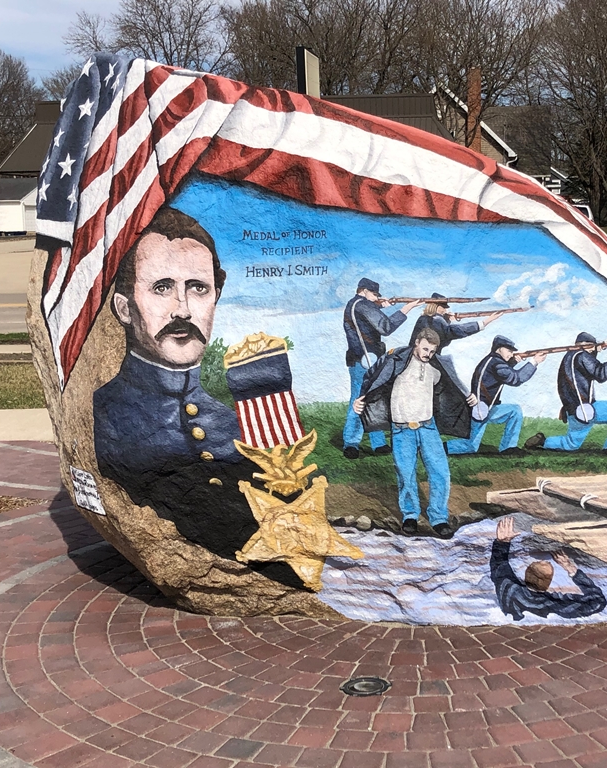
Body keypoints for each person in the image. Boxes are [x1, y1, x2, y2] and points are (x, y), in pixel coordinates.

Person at [92, 206, 300, 586]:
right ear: (124, 307)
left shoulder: (234, 424)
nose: (183, 309)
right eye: (162, 288)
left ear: (215, 299)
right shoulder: (102, 414)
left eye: (198, 288)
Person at [352, 328, 475, 538]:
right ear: (416, 343)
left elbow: (451, 385)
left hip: (428, 427)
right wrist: (360, 399)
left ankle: (439, 518)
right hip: (401, 430)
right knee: (405, 472)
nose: (428, 354)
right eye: (425, 348)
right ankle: (410, 516)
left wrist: (468, 396)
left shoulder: (435, 368)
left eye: (432, 351)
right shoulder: (396, 361)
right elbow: (374, 378)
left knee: (440, 472)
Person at [342, 279, 423, 460]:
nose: (376, 297)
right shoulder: (362, 304)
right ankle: (351, 443)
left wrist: (384, 307)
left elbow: (371, 320)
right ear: (364, 291)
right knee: (360, 399)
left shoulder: (360, 304)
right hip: (364, 360)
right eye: (374, 294)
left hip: (369, 359)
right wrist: (406, 308)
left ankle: (377, 442)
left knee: (376, 398)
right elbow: (385, 327)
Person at [524, 332, 607, 462]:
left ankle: (543, 441)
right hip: (586, 408)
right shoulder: (582, 356)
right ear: (589, 346)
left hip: (573, 409)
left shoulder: (571, 356)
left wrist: (600, 347)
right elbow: (601, 373)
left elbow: (589, 363)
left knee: (571, 444)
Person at [445, 336, 547, 457]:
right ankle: (440, 447)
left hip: (485, 406)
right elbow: (515, 379)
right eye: (509, 351)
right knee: (471, 446)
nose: (511, 353)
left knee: (514, 411)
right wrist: (534, 362)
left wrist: (513, 362)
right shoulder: (497, 363)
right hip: (481, 408)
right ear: (499, 349)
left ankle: (509, 448)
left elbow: (501, 373)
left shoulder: (492, 360)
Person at [491, 517, 606, 621]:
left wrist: (502, 542)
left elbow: (499, 565)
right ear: (549, 582)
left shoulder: (509, 589)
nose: (544, 560)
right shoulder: (555, 605)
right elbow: (598, 602)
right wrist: (570, 569)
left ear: (526, 573)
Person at [407, 292, 503, 351]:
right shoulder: (436, 319)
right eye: (443, 307)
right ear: (436, 306)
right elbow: (453, 332)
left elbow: (443, 337)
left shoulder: (425, 318)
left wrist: (448, 321)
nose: (445, 310)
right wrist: (485, 322)